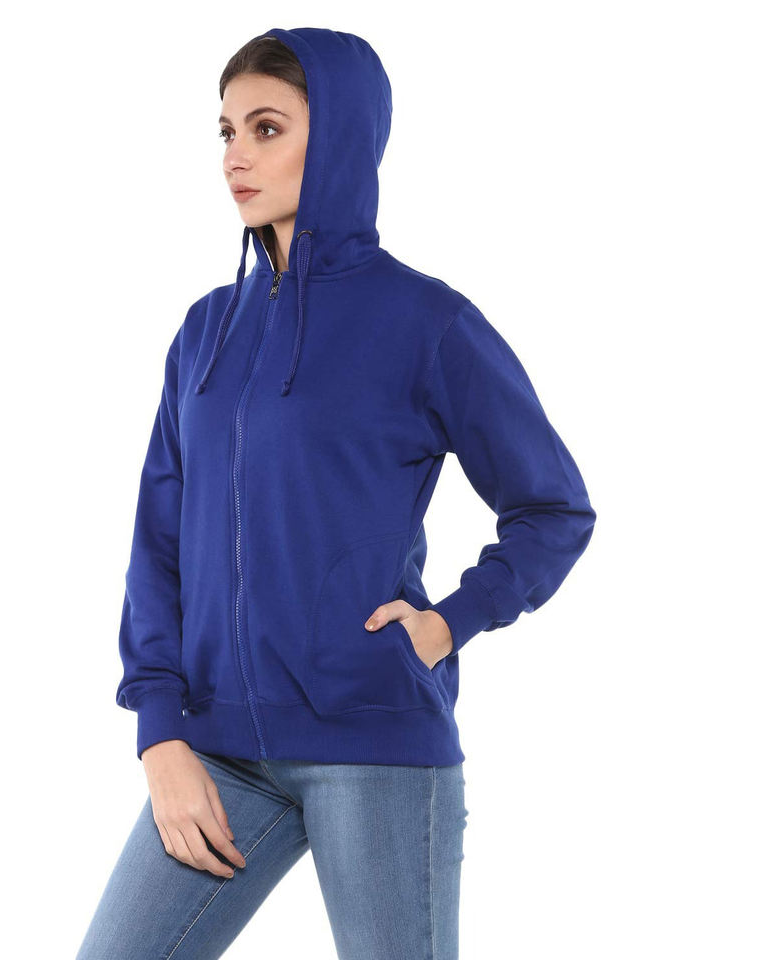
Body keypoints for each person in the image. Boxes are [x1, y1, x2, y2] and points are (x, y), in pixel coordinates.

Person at [76, 27, 596, 960]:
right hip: (216, 750)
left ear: (344, 136)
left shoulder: (426, 322)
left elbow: (553, 507)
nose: (236, 156)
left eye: (267, 128)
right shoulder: (204, 332)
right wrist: (159, 734)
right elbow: (159, 539)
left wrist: (450, 622)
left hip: (374, 744)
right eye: (226, 130)